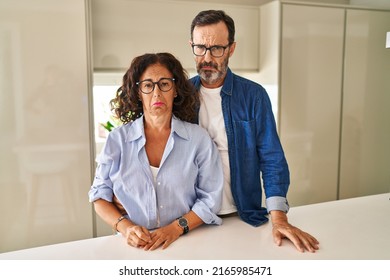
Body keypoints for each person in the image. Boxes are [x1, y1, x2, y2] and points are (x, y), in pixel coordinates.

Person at [189, 10, 319, 253]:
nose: (207, 57)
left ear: (231, 48)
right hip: (193, 218)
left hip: (243, 215)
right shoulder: (180, 96)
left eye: (216, 48)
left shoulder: (253, 95)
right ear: (191, 46)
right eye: (200, 48)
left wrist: (279, 219)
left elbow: (271, 158)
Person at [88, 52, 223, 250]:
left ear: (175, 90)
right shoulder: (117, 140)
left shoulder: (198, 139)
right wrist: (126, 228)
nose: (157, 93)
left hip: (188, 241)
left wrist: (176, 228)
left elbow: (211, 199)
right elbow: (99, 195)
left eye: (164, 84)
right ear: (138, 92)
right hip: (134, 247)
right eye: (148, 85)